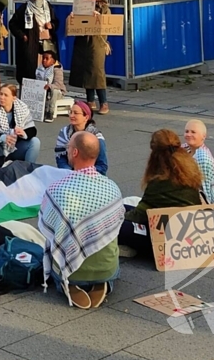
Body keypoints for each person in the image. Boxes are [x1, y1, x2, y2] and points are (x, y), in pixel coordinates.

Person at [39, 131, 124, 310]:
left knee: (53, 246)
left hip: (74, 271)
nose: (67, 150)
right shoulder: (113, 188)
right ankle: (103, 281)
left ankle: (67, 281)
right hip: (106, 267)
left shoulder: (57, 190)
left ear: (75, 152)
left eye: (69, 147)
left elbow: (47, 228)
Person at [117, 129, 203, 258]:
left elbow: (139, 215)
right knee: (122, 208)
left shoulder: (160, 181)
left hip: (168, 240)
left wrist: (116, 218)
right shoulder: (189, 170)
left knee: (116, 224)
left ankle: (131, 247)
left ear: (155, 153)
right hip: (189, 232)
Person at [68, 0, 111, 114]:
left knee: (97, 71)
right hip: (82, 43)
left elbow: (108, 24)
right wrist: (72, 18)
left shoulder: (103, 8)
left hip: (96, 43)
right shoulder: (80, 7)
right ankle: (90, 100)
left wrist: (98, 17)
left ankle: (103, 102)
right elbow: (73, 26)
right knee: (85, 71)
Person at [0, 85, 40, 172]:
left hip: (16, 147)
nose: (2, 97)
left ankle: (27, 171)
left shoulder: (22, 108)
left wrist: (23, 133)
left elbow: (32, 130)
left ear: (14, 98)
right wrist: (1, 137)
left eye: (6, 95)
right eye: (1, 94)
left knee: (35, 142)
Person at [9, 0, 59, 86]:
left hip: (47, 44)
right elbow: (13, 24)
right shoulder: (24, 9)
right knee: (30, 71)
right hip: (30, 45)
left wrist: (52, 26)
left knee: (48, 70)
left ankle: (46, 91)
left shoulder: (47, 7)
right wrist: (23, 36)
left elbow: (56, 21)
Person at [55, 100, 108, 174]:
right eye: (70, 112)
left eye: (76, 113)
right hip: (69, 173)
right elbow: (60, 157)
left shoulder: (96, 138)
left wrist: (83, 174)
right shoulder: (64, 132)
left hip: (92, 175)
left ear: (86, 117)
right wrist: (70, 172)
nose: (71, 115)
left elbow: (102, 165)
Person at [183, 119, 214, 208]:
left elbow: (208, 190)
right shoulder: (185, 149)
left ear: (203, 136)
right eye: (186, 131)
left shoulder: (202, 157)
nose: (188, 134)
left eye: (193, 132)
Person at [37, 49, 66, 123]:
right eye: (43, 58)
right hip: (45, 92)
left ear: (53, 61)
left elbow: (58, 85)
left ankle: (50, 112)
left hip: (57, 93)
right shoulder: (40, 69)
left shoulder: (57, 69)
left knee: (55, 90)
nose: (44, 60)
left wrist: (49, 86)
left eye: (47, 59)